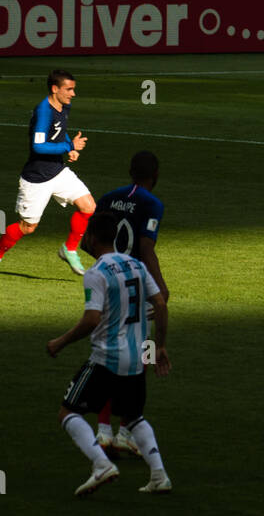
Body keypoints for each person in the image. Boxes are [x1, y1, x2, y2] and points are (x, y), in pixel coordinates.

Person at [46, 210, 172, 497]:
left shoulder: (97, 273)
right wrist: (161, 346)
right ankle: (159, 475)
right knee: (134, 416)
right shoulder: (138, 265)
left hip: (107, 359)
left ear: (90, 238)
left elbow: (91, 319)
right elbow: (161, 305)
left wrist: (61, 342)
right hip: (137, 358)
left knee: (68, 412)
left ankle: (101, 465)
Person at [89, 151, 170, 457]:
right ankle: (125, 430)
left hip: (108, 283)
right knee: (138, 356)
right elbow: (146, 248)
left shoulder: (109, 198)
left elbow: (88, 240)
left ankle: (104, 430)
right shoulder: (152, 204)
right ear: (156, 175)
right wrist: (159, 287)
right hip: (135, 287)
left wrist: (106, 266)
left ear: (130, 171)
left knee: (107, 353)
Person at [0, 69, 96, 281]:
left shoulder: (64, 106)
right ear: (55, 89)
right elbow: (38, 146)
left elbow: (59, 132)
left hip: (58, 171)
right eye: (69, 89)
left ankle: (69, 249)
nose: (73, 94)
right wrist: (69, 145)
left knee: (88, 206)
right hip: (36, 178)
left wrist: (68, 147)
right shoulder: (43, 112)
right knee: (28, 227)